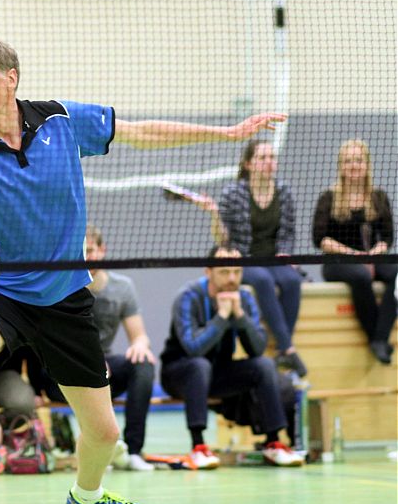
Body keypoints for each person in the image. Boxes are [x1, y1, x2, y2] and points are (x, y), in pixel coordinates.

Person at [0, 36, 287, 504]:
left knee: (104, 433)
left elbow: (140, 133)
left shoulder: (61, 120)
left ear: (10, 78)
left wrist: (225, 136)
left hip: (64, 293)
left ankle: (86, 499)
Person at [160, 246, 304, 470]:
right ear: (208, 272)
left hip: (218, 374)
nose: (232, 278)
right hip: (179, 373)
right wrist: (222, 316)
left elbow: (256, 348)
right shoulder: (188, 296)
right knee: (199, 365)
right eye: (224, 272)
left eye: (237, 272)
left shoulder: (244, 298)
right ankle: (198, 447)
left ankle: (274, 442)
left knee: (263, 365)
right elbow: (193, 348)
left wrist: (240, 316)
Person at [209, 140, 306, 376]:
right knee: (262, 280)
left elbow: (289, 231)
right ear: (249, 164)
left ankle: (284, 351)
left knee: (293, 281)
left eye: (272, 157)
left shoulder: (284, 192)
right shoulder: (232, 193)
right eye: (262, 158)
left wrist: (285, 252)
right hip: (244, 259)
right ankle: (288, 349)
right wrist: (214, 214)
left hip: (274, 259)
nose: (269, 163)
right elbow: (224, 240)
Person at [313, 139, 396, 365]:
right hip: (338, 261)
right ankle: (375, 339)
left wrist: (372, 254)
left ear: (367, 164)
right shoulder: (328, 197)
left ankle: (380, 338)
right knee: (360, 276)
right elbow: (320, 238)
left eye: (358, 160)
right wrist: (354, 255)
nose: (353, 165)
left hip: (371, 256)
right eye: (348, 161)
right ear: (341, 166)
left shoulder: (378, 197)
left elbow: (387, 238)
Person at [84, 226, 155, 471]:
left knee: (143, 365)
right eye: (80, 251)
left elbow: (140, 336)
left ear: (102, 250)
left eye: (90, 250)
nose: (86, 256)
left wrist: (139, 344)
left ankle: (133, 451)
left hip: (105, 368)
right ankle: (101, 449)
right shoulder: (63, 286)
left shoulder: (123, 287)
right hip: (68, 368)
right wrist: (89, 358)